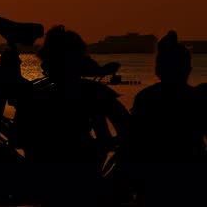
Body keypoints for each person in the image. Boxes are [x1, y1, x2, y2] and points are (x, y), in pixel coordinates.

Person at [13, 25, 130, 206]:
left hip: (44, 179)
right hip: (83, 176)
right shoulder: (94, 92)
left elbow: (18, 139)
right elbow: (128, 131)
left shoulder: (33, 92)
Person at [129, 30, 207, 206]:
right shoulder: (198, 98)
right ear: (188, 69)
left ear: (158, 69)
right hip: (192, 178)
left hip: (154, 180)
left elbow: (133, 144)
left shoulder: (146, 98)